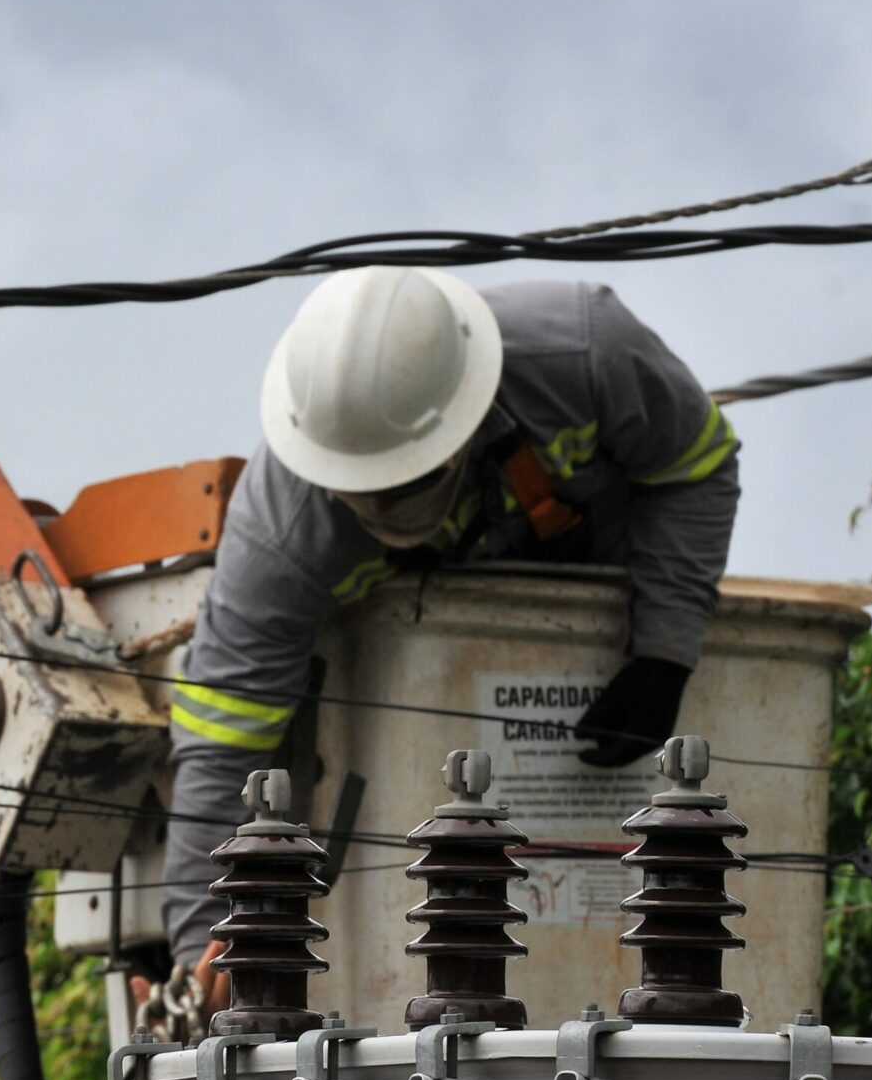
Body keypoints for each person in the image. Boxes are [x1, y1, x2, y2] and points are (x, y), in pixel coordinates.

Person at [156, 263, 740, 1040]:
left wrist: (665, 649)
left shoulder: (585, 353)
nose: (378, 506)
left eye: (401, 481)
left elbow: (698, 466)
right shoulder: (285, 526)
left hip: (609, 658)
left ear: (461, 422)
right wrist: (206, 962)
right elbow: (220, 749)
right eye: (356, 488)